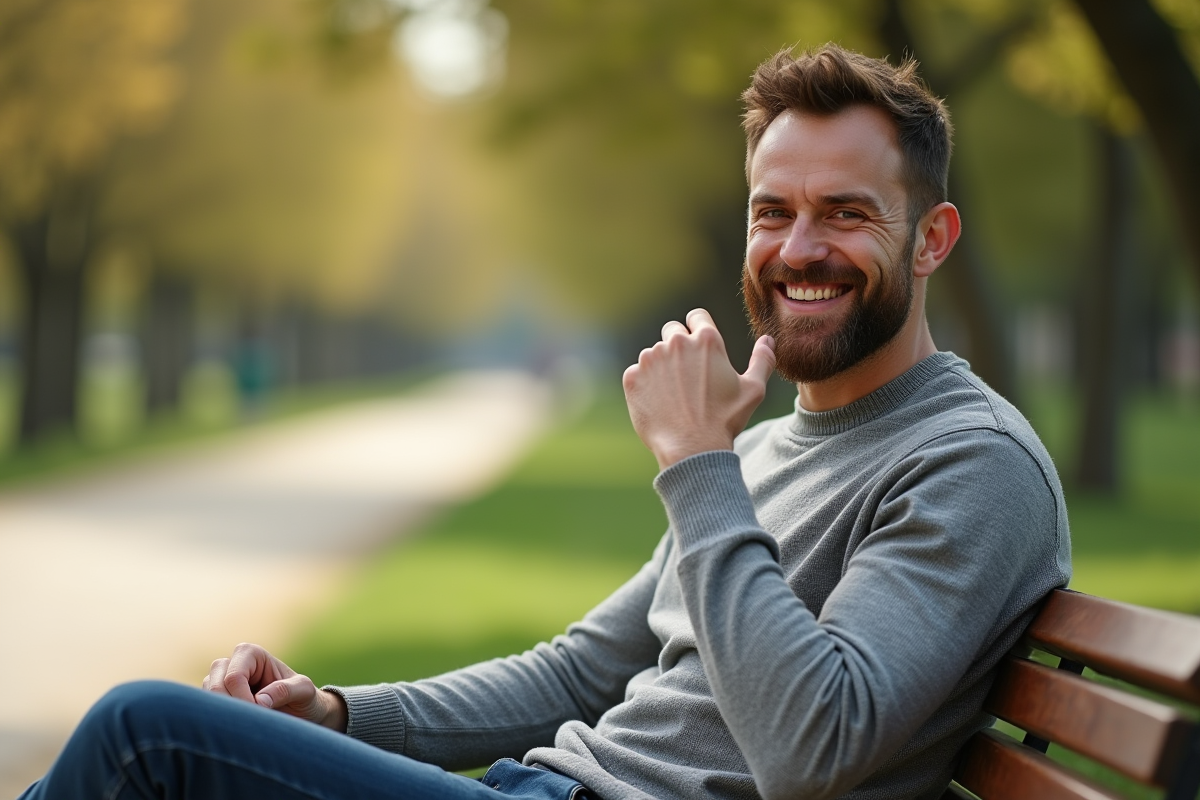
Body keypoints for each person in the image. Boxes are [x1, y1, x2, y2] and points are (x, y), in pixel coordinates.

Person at [18, 43, 1070, 800]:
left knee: (141, 735)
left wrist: (699, 463)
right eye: (772, 210)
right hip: (538, 785)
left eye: (846, 212)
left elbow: (814, 746)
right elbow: (578, 670)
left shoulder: (968, 463)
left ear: (932, 238)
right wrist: (337, 710)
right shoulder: (769, 445)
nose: (798, 247)